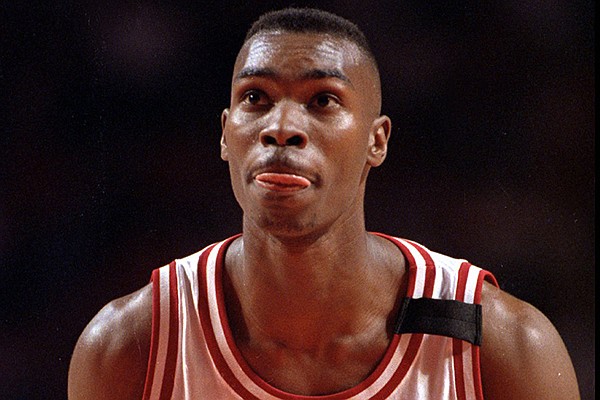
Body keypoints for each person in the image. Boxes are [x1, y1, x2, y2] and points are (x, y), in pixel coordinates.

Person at [68, 7, 580, 400]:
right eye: (256, 99)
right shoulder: (130, 346)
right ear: (226, 135)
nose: (282, 129)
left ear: (377, 142)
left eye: (322, 100)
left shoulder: (504, 347)